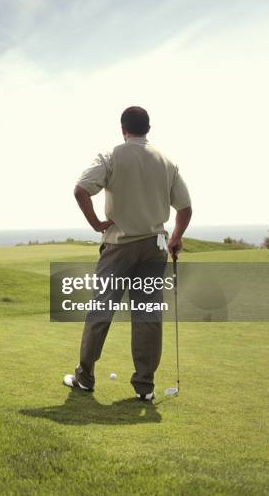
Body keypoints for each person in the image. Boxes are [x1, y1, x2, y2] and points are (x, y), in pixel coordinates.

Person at [63, 106, 192, 401]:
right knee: (147, 314)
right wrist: (175, 238)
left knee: (101, 310)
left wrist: (96, 223)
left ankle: (84, 378)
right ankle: (145, 387)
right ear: (149, 128)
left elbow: (81, 189)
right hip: (154, 247)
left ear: (123, 129)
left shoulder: (111, 155)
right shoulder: (167, 161)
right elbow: (185, 208)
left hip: (118, 247)